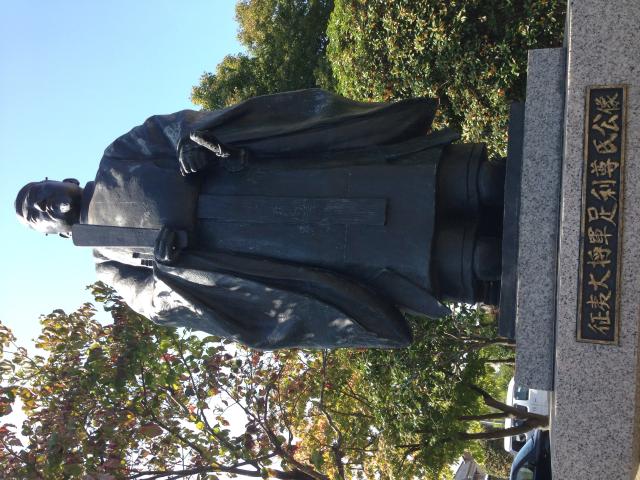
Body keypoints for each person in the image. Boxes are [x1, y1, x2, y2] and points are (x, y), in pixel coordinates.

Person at [15, 89, 503, 350]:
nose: (42, 205)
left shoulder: (118, 156)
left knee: (464, 183)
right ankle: (470, 263)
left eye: (38, 194)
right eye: (35, 215)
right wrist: (167, 270)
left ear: (61, 180)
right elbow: (162, 304)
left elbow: (176, 129)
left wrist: (193, 146)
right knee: (465, 259)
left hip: (268, 180)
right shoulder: (109, 263)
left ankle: (473, 181)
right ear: (52, 233)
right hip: (265, 249)